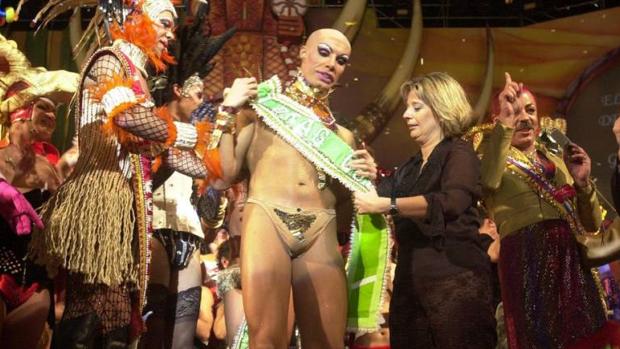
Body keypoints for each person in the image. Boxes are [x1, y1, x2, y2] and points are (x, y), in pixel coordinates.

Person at [28, 1, 226, 346]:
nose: (169, 34)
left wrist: (226, 165)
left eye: (172, 27)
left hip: (127, 213)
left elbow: (167, 155)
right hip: (100, 204)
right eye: (164, 23)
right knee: (88, 317)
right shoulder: (109, 60)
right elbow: (126, 117)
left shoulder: (141, 82)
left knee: (116, 323)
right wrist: (191, 133)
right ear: (136, 18)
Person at [215, 28, 376, 348]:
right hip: (268, 219)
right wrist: (227, 111)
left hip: (320, 227)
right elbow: (226, 173)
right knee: (267, 340)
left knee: (327, 343)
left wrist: (367, 177)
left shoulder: (343, 137)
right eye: (324, 52)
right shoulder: (262, 107)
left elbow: (349, 202)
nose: (332, 64)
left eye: (341, 60)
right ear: (303, 52)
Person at [353, 72, 496, 349]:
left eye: (416, 107)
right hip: (410, 287)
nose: (406, 115)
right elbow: (382, 194)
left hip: (454, 281)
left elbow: (451, 201)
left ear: (442, 109)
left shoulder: (459, 153)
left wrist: (389, 205)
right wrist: (372, 175)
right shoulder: (410, 166)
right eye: (407, 107)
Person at [479, 72, 610, 348]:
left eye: (530, 110)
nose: (524, 118)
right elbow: (488, 181)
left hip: (570, 263)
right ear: (499, 118)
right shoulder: (489, 159)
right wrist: (505, 122)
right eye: (514, 112)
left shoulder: (557, 161)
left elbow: (592, 224)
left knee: (583, 339)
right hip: (527, 262)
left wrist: (583, 183)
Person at [0, 34, 78, 349]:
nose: (51, 115)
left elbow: (59, 230)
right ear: (21, 111)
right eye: (44, 106)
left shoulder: (49, 164)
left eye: (55, 110)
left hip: (34, 285)